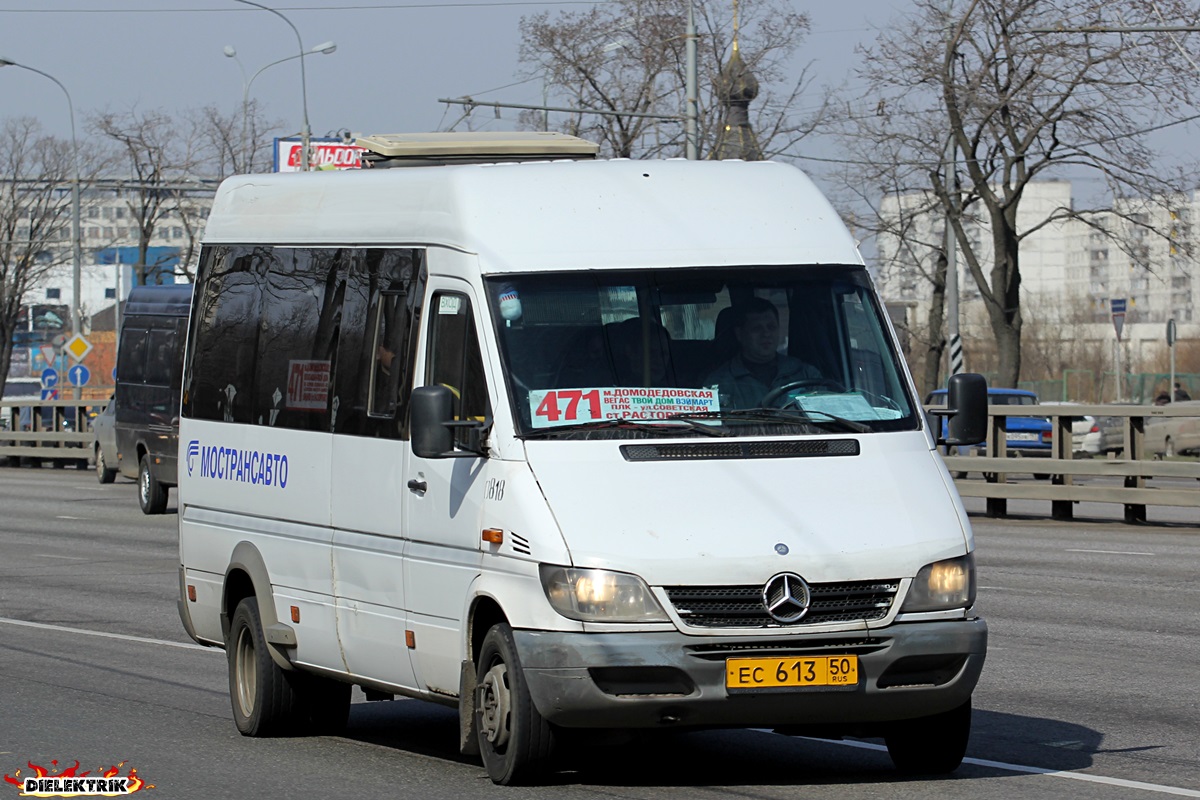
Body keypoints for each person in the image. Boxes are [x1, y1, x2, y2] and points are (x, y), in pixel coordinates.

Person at [704, 297, 820, 410]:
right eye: (757, 328)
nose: (766, 334)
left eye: (771, 327)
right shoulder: (719, 383)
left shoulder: (806, 374)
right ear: (739, 334)